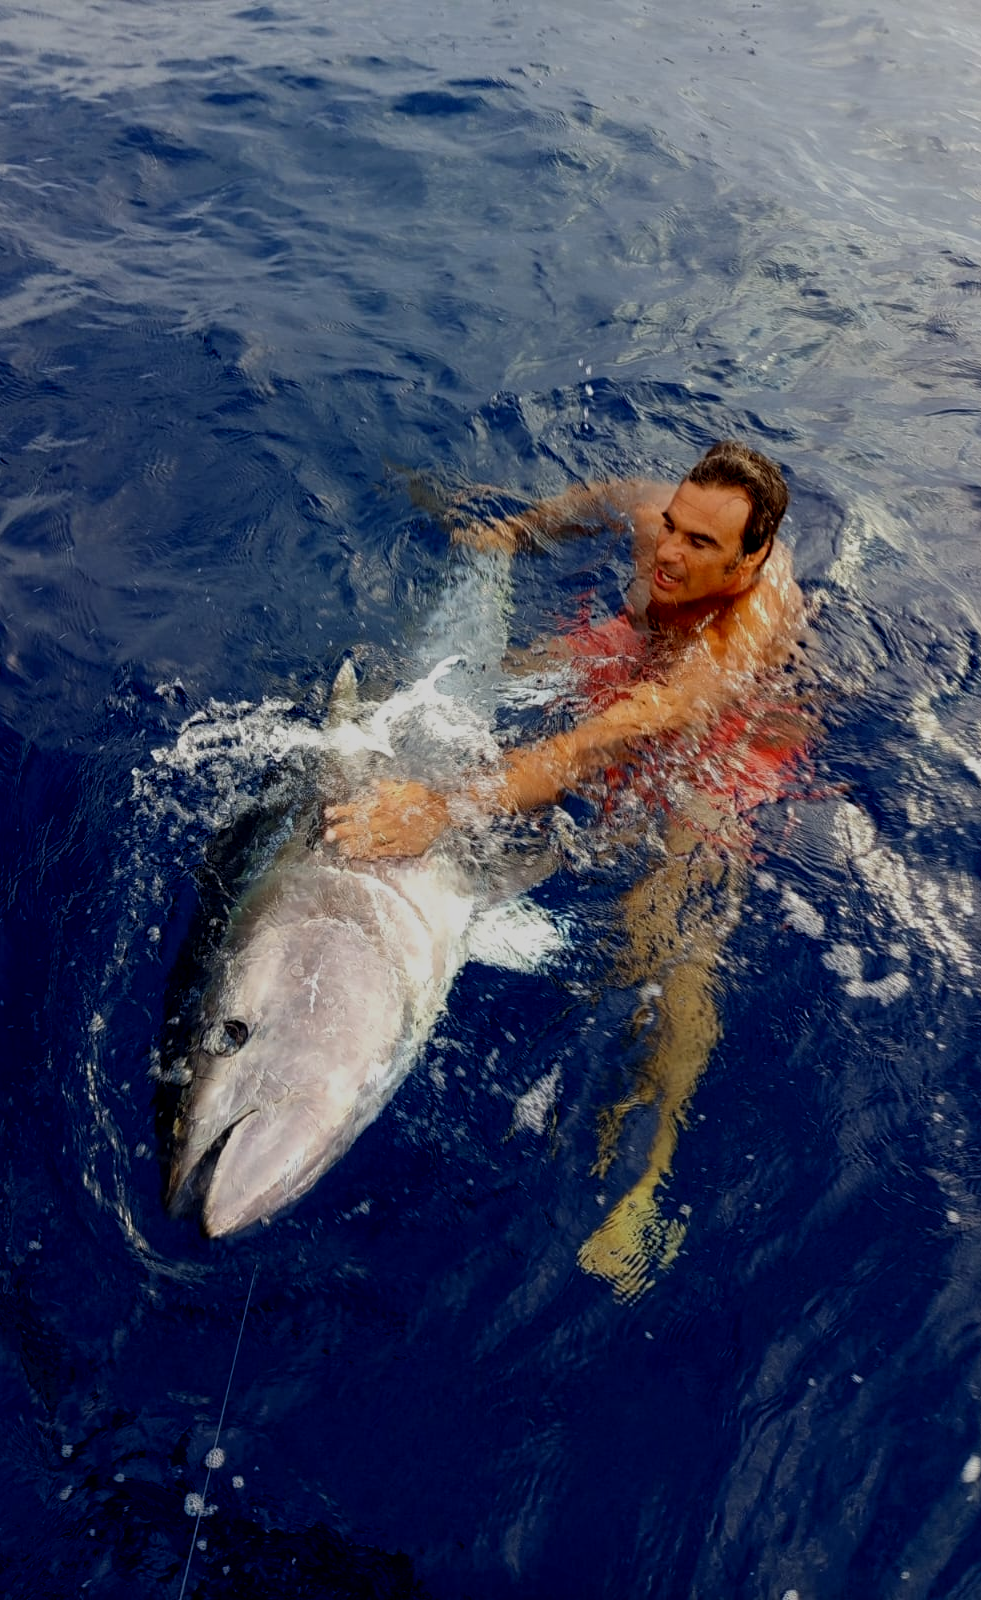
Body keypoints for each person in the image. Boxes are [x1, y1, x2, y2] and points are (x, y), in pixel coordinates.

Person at [324, 440, 810, 1299]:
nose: (670, 550)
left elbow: (592, 746)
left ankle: (645, 1176)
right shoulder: (658, 523)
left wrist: (439, 810)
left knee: (663, 929)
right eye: (674, 528)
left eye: (701, 546)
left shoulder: (723, 655)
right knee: (444, 698)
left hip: (727, 736)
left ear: (750, 562)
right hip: (632, 652)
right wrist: (512, 533)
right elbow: (607, 493)